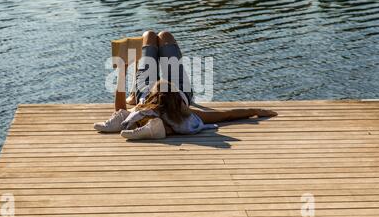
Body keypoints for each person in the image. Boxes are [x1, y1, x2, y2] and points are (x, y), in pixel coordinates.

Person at [94, 31, 278, 139]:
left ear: (151, 98)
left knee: (149, 35)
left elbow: (119, 109)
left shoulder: (144, 105)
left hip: (144, 88)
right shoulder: (186, 112)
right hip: (166, 93)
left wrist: (122, 70)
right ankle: (141, 95)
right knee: (164, 35)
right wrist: (255, 111)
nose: (162, 82)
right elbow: (227, 115)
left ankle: (134, 94)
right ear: (180, 98)